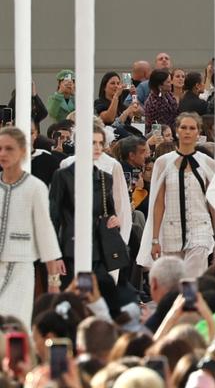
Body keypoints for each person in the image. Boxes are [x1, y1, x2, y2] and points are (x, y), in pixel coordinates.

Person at [0, 126, 62, 329]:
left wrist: (53, 279)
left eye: (9, 148)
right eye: (0, 148)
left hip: (22, 268)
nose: (3, 154)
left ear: (23, 151)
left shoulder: (35, 187)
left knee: (16, 327)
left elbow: (45, 232)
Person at [139, 112, 215, 276]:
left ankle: (190, 301)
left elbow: (213, 203)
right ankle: (178, 302)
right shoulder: (163, 162)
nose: (187, 132)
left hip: (201, 227)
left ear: (198, 132)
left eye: (192, 128)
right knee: (174, 280)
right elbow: (158, 202)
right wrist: (154, 239)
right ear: (177, 130)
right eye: (183, 127)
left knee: (193, 275)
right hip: (171, 228)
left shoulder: (208, 163)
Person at [50, 126, 128, 281]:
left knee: (95, 299)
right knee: (74, 299)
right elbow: (54, 217)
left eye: (100, 143)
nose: (98, 147)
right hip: (70, 250)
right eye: (93, 142)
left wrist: (115, 220)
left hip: (98, 250)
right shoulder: (63, 176)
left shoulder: (106, 178)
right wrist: (55, 255)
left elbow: (110, 210)